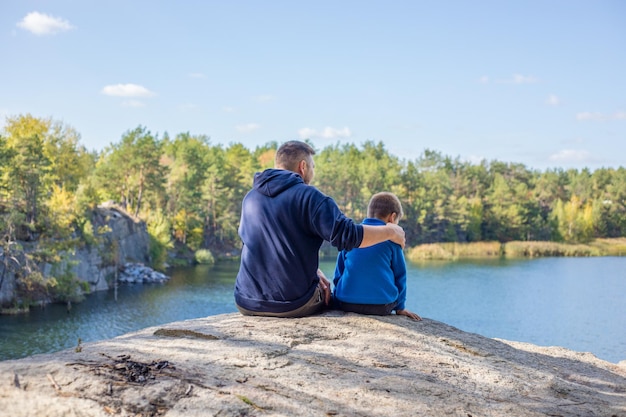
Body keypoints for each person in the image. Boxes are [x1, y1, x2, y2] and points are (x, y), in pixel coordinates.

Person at [234, 140, 406, 318]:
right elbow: (348, 236)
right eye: (313, 167)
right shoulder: (310, 197)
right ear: (303, 167)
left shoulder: (250, 198)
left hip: (246, 302)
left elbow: (260, 245)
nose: (313, 172)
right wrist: (391, 231)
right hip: (292, 305)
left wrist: (313, 273)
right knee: (329, 297)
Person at [333, 192, 422, 320]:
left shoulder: (353, 235)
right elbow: (400, 277)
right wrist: (400, 308)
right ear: (392, 217)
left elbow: (338, 274)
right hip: (381, 306)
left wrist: (337, 301)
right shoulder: (393, 240)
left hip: (346, 304)